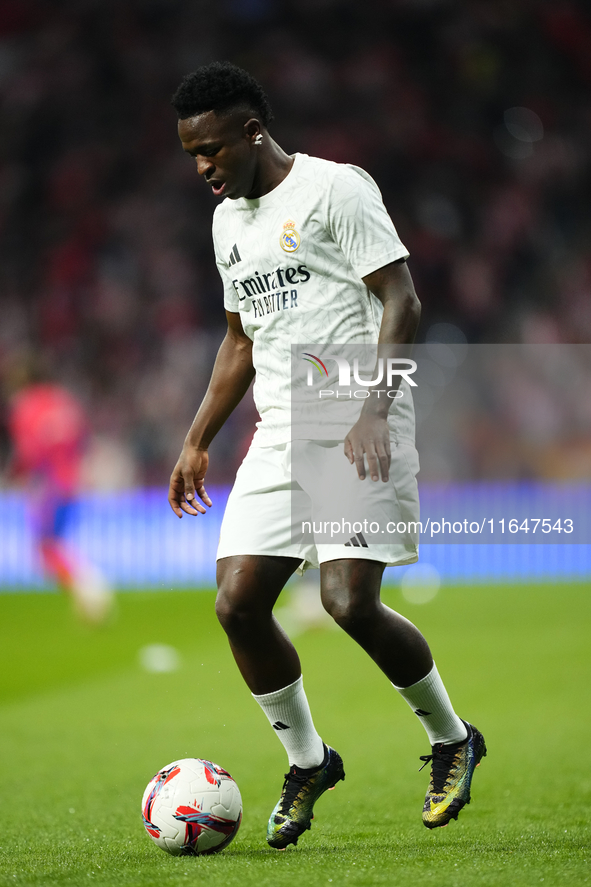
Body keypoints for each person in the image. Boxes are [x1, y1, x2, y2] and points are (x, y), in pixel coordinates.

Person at [168, 61, 486, 850]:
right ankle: (309, 760)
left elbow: (401, 298)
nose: (201, 167)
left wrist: (375, 408)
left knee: (347, 601)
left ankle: (452, 736)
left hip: (353, 406)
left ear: (251, 132)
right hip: (277, 427)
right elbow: (240, 340)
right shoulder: (225, 223)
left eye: (210, 149)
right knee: (237, 602)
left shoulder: (335, 189)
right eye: (189, 155)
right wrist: (196, 438)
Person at [7, 370, 113, 624]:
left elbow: (29, 452)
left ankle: (90, 588)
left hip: (47, 485)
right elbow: (84, 441)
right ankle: (87, 592)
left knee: (46, 548)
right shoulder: (65, 402)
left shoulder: (26, 406)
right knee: (53, 545)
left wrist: (16, 476)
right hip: (72, 482)